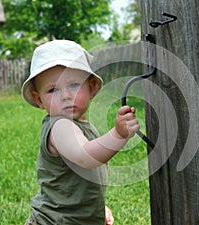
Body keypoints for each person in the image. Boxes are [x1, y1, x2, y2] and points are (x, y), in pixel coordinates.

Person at [22, 40, 140, 225]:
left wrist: (96, 208)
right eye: (53, 89)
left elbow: (83, 180)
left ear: (91, 87)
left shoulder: (84, 127)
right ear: (39, 99)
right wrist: (118, 134)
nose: (66, 95)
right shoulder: (60, 126)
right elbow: (85, 157)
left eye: (74, 85)